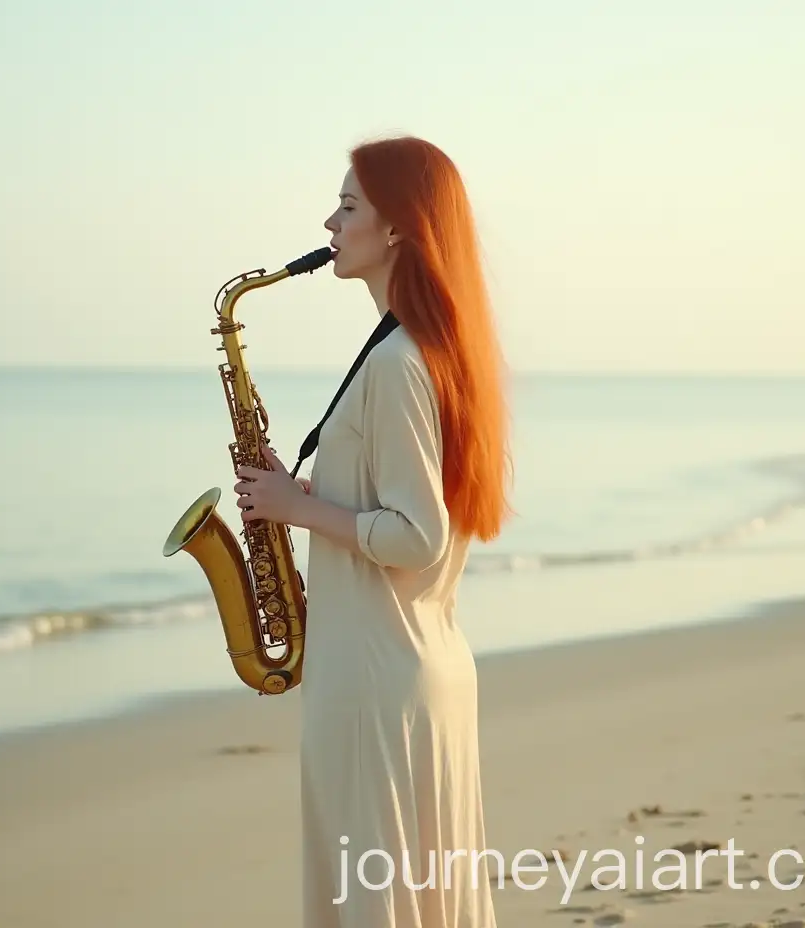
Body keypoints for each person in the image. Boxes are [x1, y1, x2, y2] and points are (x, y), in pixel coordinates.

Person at [232, 134, 512, 928]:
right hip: (423, 670)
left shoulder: (395, 364)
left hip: (374, 685)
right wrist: (328, 494)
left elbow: (415, 536)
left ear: (397, 227)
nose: (330, 220)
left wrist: (294, 507)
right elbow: (408, 513)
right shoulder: (433, 352)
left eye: (349, 205)